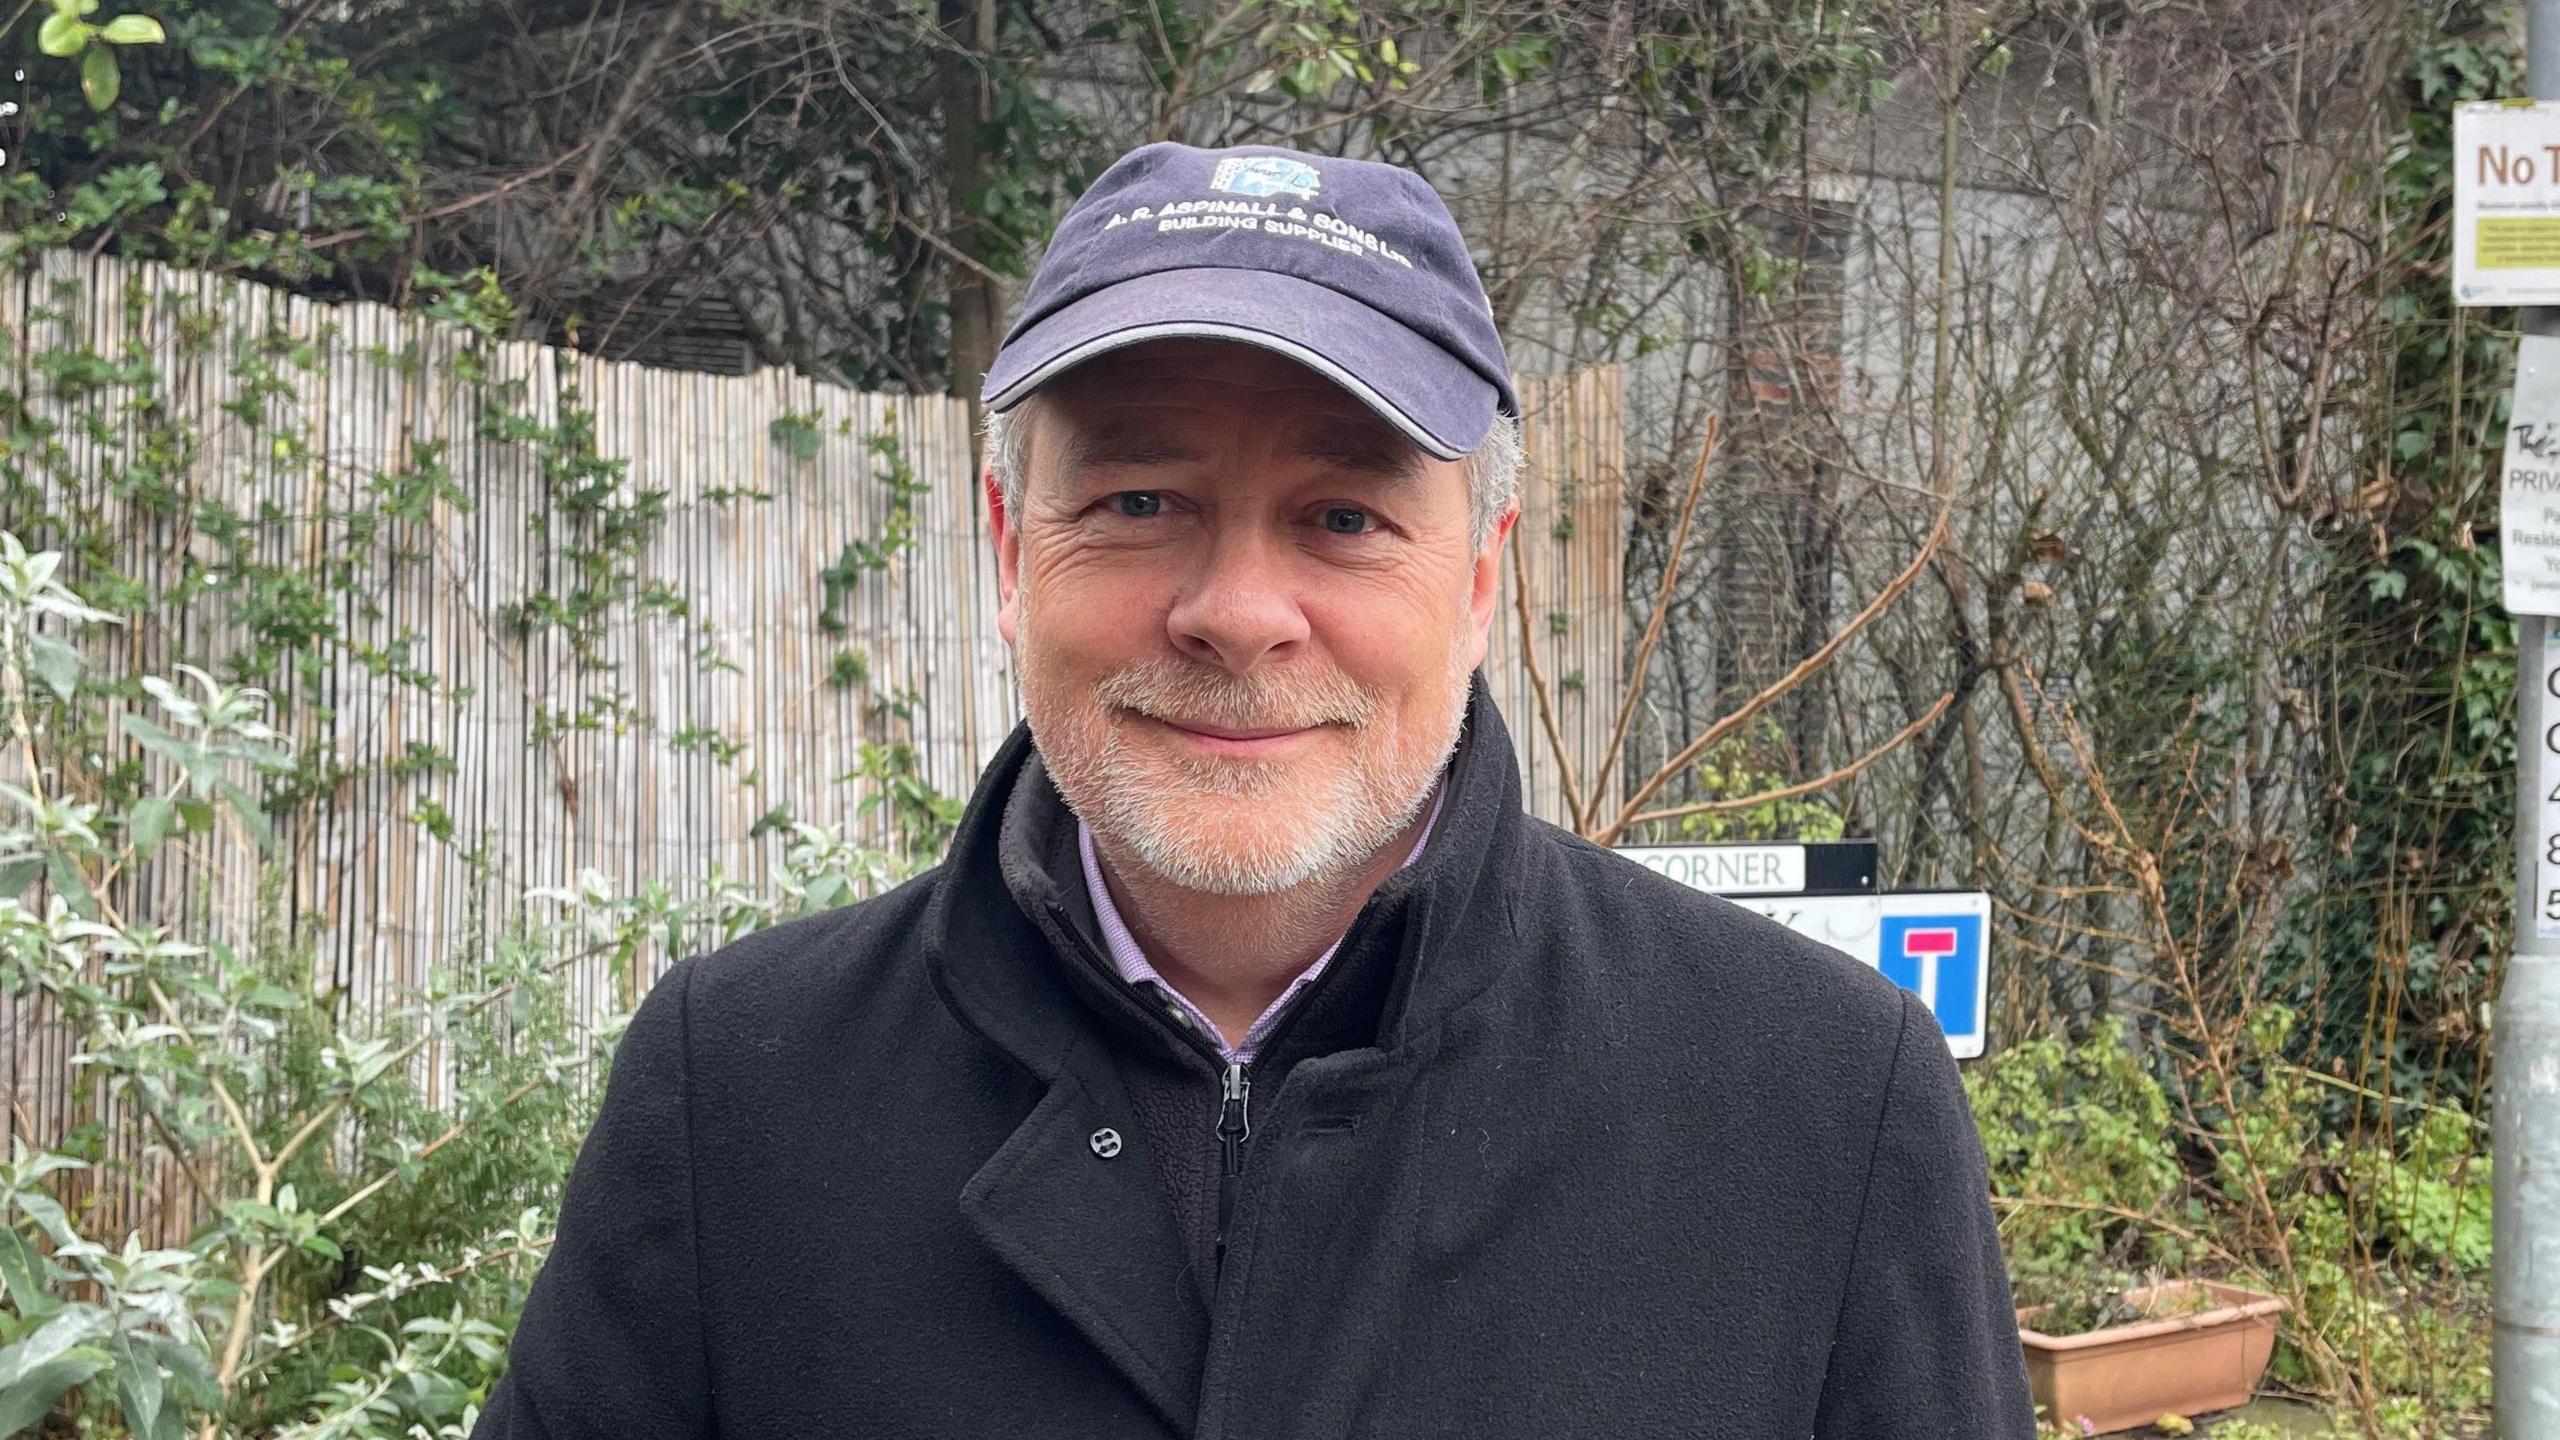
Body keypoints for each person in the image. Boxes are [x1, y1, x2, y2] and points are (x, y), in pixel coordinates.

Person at [472, 140, 2037, 1439]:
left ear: (1482, 578)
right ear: (1016, 555)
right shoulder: (740, 1094)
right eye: (1141, 500)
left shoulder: (1820, 1108)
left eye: (1345, 516)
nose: (1236, 609)